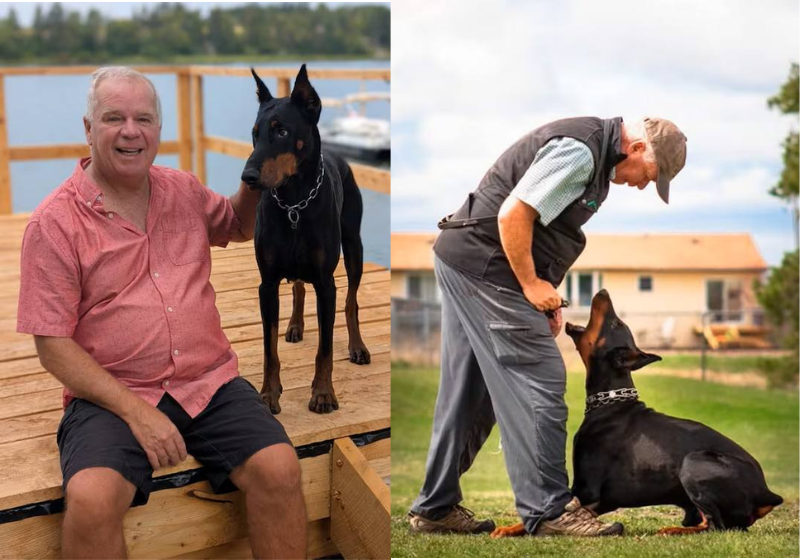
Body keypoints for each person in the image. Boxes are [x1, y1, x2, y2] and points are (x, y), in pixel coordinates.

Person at [16, 67, 306, 559]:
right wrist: (137, 414)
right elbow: (52, 346)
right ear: (88, 128)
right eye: (114, 118)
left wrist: (259, 170)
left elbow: (236, 224)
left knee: (280, 468)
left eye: (143, 119)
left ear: (158, 129)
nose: (131, 131)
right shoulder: (53, 223)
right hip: (113, 393)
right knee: (91, 501)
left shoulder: (182, 189)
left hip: (207, 381)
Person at [408, 116, 687, 537]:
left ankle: (435, 507)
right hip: (488, 268)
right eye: (649, 175)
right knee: (540, 378)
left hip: (467, 262)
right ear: (635, 149)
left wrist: (544, 289)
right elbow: (513, 216)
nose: (643, 185)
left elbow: (543, 227)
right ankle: (550, 510)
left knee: (469, 392)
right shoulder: (581, 153)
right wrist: (530, 284)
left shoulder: (596, 159)